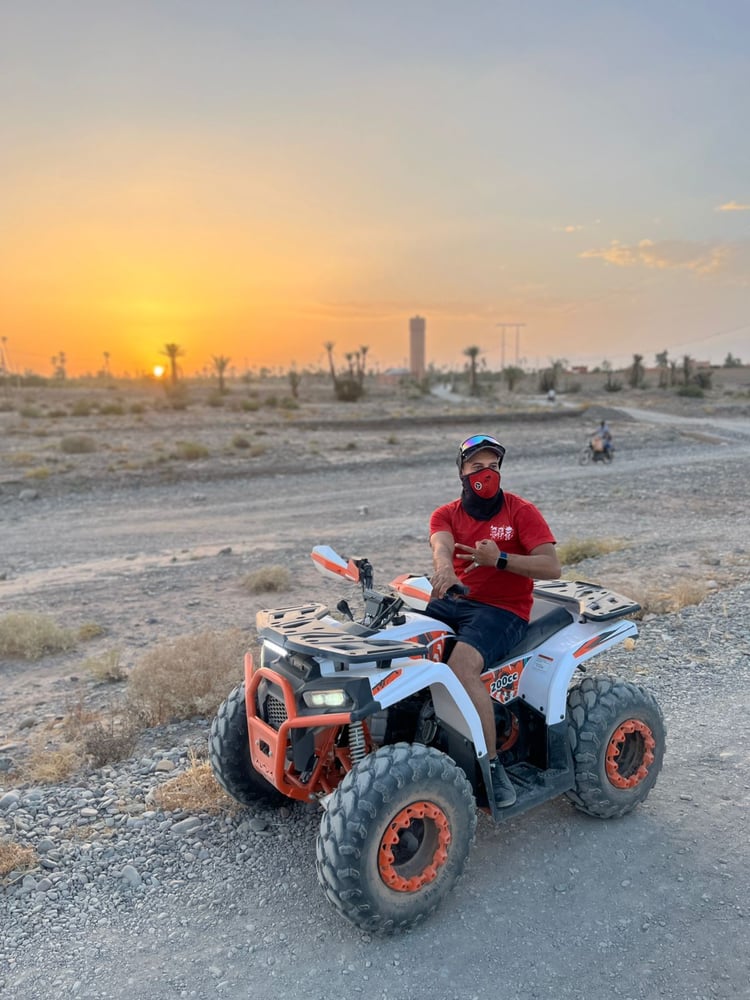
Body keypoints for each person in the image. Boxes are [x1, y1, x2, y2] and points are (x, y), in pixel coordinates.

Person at [426, 434, 561, 808]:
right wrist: (444, 573)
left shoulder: (520, 511)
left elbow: (551, 566)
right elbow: (441, 546)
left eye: (494, 467)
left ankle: (491, 764)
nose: (486, 474)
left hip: (504, 609)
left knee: (460, 667)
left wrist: (501, 559)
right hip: (455, 600)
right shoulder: (446, 513)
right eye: (477, 467)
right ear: (462, 473)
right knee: (409, 651)